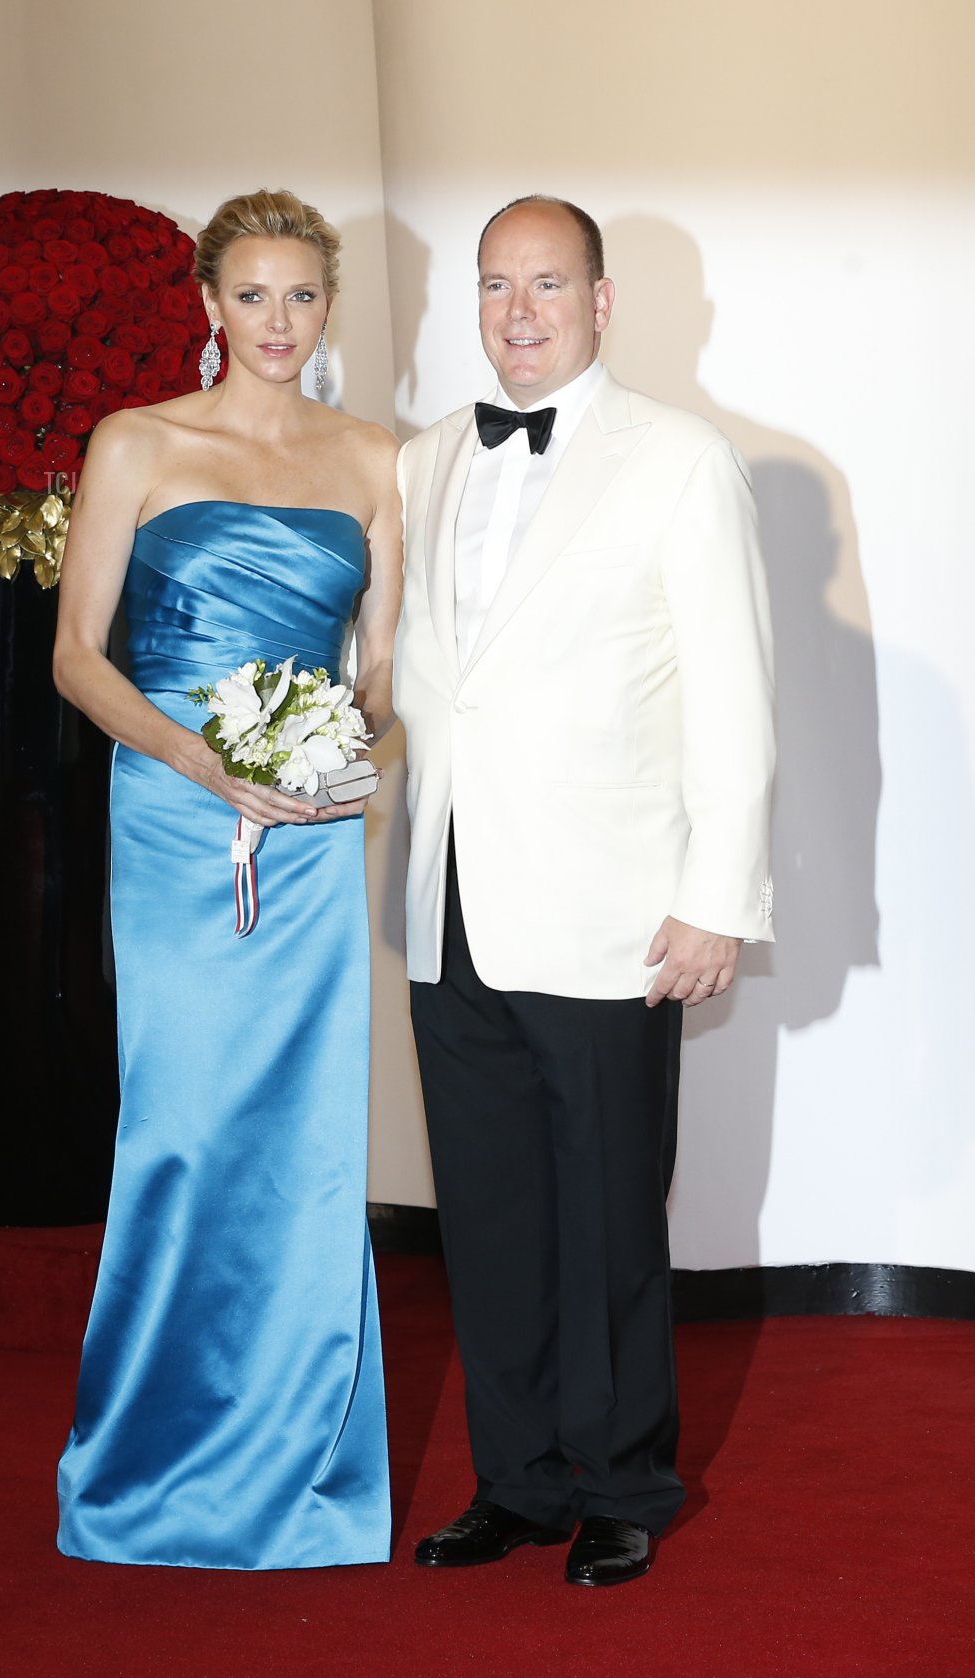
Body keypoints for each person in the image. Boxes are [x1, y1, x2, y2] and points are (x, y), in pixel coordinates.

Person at [394, 195, 774, 1587]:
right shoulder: (429, 458)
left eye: (548, 283)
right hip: (450, 897)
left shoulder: (679, 459)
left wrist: (716, 893)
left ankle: (625, 1479)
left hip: (615, 907)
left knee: (610, 1209)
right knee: (487, 1215)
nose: (519, 310)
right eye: (497, 285)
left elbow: (735, 697)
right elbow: (422, 670)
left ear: (602, 302)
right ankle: (519, 1480)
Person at [53, 189, 400, 1570]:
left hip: (310, 834)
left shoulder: (374, 456)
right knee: (185, 1126)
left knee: (309, 1147)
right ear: (207, 305)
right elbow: (81, 657)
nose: (277, 323)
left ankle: (306, 1475)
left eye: (302, 298)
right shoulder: (137, 442)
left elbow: (381, 666)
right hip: (177, 817)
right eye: (251, 297)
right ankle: (147, 1461)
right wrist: (208, 764)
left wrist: (344, 743)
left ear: (329, 307)